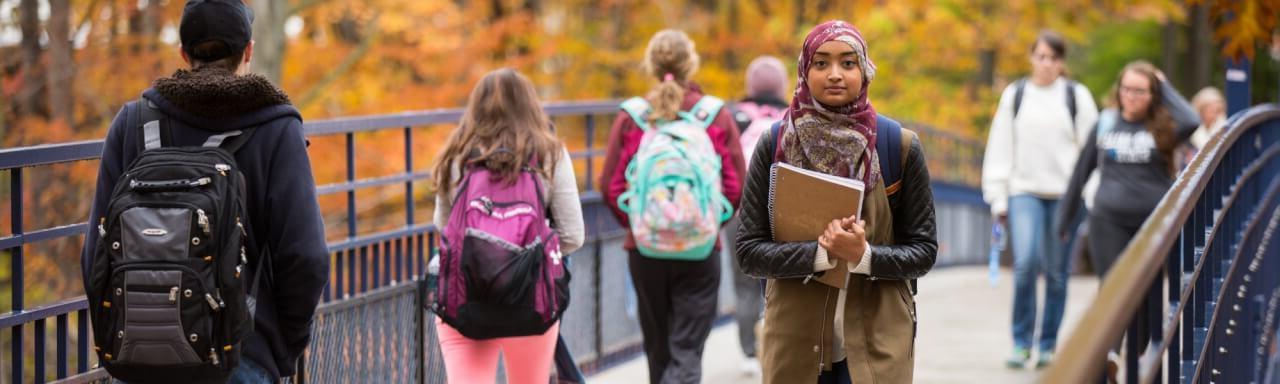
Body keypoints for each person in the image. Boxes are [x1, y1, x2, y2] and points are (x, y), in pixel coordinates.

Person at [80, 1, 330, 382]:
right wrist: (281, 349)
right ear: (248, 50)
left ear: (183, 53)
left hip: (141, 359)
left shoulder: (132, 123)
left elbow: (95, 256)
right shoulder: (276, 128)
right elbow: (305, 257)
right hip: (240, 357)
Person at [735, 20, 937, 383]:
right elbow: (749, 251)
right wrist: (821, 253)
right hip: (796, 344)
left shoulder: (898, 147)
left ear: (865, 71)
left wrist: (863, 256)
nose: (835, 75)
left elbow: (923, 251)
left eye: (848, 63)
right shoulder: (776, 144)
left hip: (878, 342)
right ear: (804, 69)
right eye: (821, 63)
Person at [599, 29, 746, 384]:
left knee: (659, 350)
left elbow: (610, 184)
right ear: (690, 63)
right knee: (687, 351)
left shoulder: (634, 116)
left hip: (646, 250)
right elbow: (736, 183)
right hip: (700, 248)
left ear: (651, 65)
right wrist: (708, 222)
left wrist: (640, 224)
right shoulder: (714, 115)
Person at [431, 68, 585, 384]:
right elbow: (573, 234)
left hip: (465, 295)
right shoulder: (549, 152)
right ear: (530, 105)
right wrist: (530, 256)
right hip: (529, 298)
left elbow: (444, 226)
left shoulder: (456, 154)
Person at [1056, 61, 1199, 370]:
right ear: (1118, 91)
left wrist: (1164, 83)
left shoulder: (1163, 126)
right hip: (1107, 220)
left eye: (1140, 91)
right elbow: (1081, 172)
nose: (1131, 97)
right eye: (1126, 89)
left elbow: (1192, 120)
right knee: (1112, 288)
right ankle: (1109, 354)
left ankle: (1139, 358)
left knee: (1147, 294)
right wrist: (1064, 220)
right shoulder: (1106, 123)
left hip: (1153, 224)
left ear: (1153, 95)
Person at [981, 29, 1100, 369]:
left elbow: (1092, 151)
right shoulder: (1016, 95)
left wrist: (1089, 196)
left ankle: (1047, 344)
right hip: (1024, 192)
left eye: (1053, 58)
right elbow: (1000, 146)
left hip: (1066, 197)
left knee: (1058, 272)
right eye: (1041, 56)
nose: (1046, 64)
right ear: (1032, 58)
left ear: (1062, 63)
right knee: (1026, 265)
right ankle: (1021, 343)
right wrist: (998, 197)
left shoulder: (1077, 97)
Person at [725, 54, 789, 377]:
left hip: (740, 213)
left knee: (744, 285)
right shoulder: (793, 117)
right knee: (780, 281)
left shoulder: (734, 117)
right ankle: (775, 338)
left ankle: (748, 354)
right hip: (783, 212)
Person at [1181, 87, 1227, 166]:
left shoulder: (1223, 128)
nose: (1216, 116)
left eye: (1219, 111)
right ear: (1201, 110)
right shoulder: (1190, 131)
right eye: (1212, 111)